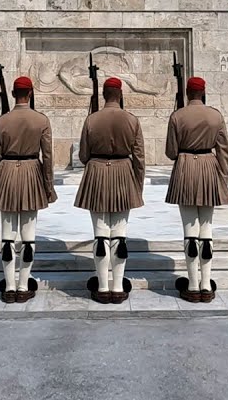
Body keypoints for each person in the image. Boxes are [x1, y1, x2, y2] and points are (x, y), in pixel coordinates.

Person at [75, 77, 146, 304]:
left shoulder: (91, 119)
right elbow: (139, 158)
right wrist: (137, 186)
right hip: (123, 172)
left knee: (100, 233)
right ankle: (118, 286)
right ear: (120, 95)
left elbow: (83, 155)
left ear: (104, 95)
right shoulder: (132, 120)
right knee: (119, 235)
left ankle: (102, 287)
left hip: (97, 173)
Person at [0, 76, 56, 303]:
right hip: (31, 172)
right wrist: (48, 185)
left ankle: (9, 286)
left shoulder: (2, 121)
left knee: (7, 235)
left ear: (13, 94)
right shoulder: (41, 120)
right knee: (28, 236)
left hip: (7, 172)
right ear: (31, 93)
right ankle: (24, 286)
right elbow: (48, 157)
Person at [164, 76, 228, 303]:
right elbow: (224, 151)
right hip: (209, 168)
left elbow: (171, 152)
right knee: (207, 229)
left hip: (185, 168)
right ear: (203, 92)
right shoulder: (215, 116)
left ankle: (192, 286)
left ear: (187, 92)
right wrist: (222, 178)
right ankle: (206, 285)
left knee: (189, 229)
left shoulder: (177, 116)